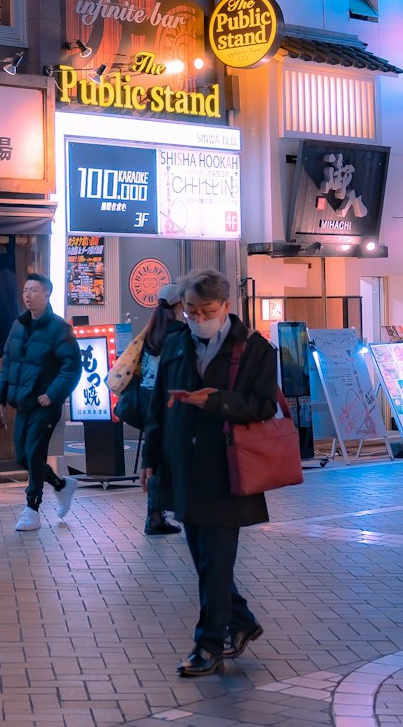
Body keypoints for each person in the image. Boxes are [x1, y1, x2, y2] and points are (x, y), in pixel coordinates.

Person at [142, 268, 279, 677]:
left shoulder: (255, 348)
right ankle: (240, 622)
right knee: (204, 560)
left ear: (225, 306)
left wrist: (216, 401)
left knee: (216, 561)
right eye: (190, 310)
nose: (198, 317)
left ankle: (208, 645)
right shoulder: (177, 343)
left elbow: (263, 405)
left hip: (227, 472)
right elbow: (157, 406)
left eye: (206, 310)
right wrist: (151, 456)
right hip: (184, 466)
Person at [0, 271, 82, 532]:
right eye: (25, 291)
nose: (27, 296)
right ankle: (61, 485)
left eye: (33, 290)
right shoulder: (18, 325)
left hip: (45, 405)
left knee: (35, 453)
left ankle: (32, 508)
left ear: (47, 293)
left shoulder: (60, 329)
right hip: (23, 404)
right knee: (22, 456)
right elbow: (8, 363)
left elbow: (71, 367)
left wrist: (52, 394)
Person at [136, 286, 186, 536]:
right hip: (170, 401)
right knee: (173, 456)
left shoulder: (151, 331)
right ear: (180, 306)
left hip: (147, 399)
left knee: (153, 455)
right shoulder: (180, 332)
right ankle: (169, 512)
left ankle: (155, 515)